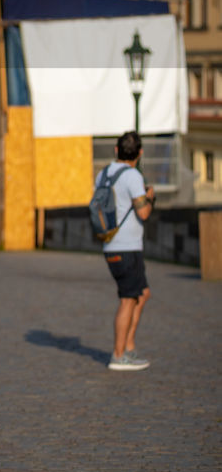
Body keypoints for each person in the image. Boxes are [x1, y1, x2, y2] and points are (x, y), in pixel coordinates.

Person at [98, 130, 156, 371]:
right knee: (128, 299)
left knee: (142, 294)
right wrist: (150, 197)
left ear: (116, 150)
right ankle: (119, 354)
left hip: (112, 243)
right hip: (126, 248)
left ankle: (129, 346)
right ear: (140, 153)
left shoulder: (103, 174)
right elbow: (143, 212)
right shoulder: (132, 176)